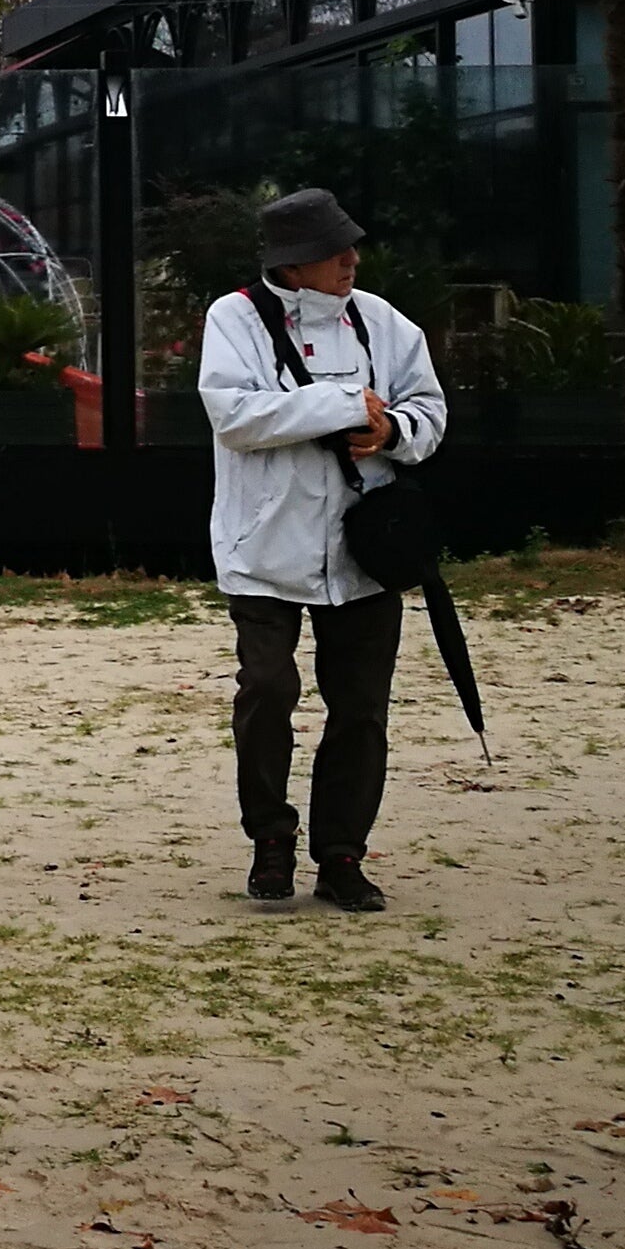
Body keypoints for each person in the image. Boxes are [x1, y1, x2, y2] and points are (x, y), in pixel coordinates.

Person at [200, 187, 448, 913]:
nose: (351, 261)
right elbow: (236, 415)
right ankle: (269, 838)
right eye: (333, 252)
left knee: (363, 707)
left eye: (351, 247)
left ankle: (342, 854)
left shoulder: (384, 322)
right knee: (268, 690)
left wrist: (392, 432)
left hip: (366, 553)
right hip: (261, 546)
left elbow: (429, 411)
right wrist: (349, 405)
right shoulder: (234, 317)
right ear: (293, 263)